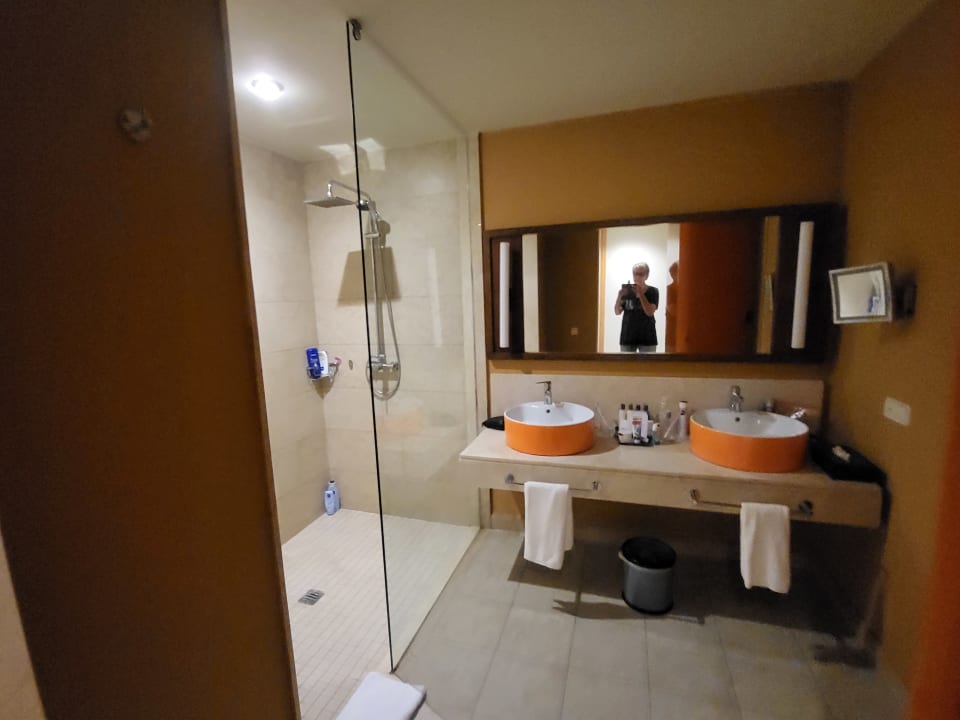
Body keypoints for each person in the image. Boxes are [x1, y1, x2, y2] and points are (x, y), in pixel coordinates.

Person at [615, 262, 659, 352]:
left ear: (647, 275)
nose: (637, 277)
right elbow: (617, 311)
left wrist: (640, 294)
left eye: (641, 274)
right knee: (626, 361)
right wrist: (619, 296)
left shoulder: (653, 291)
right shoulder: (628, 290)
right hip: (628, 336)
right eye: (635, 274)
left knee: (649, 361)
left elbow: (649, 312)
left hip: (647, 336)